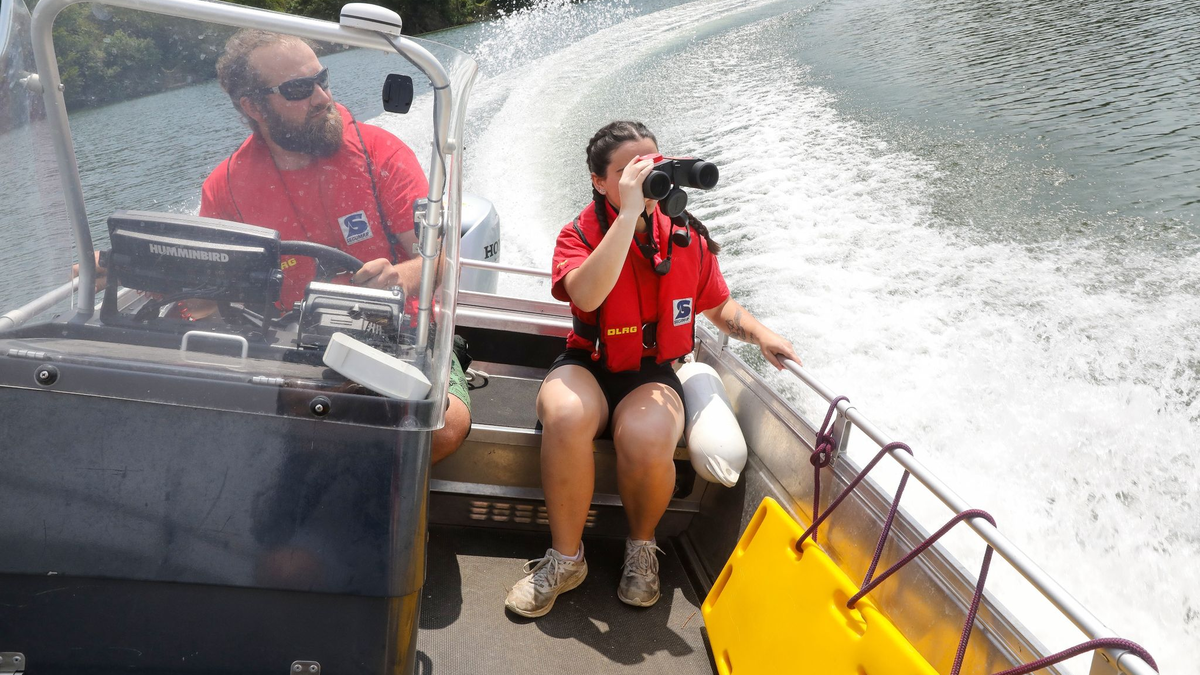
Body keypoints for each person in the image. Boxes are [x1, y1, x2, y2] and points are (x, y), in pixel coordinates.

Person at [504, 121, 800, 618]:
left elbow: (719, 308)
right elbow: (588, 294)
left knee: (647, 435)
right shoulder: (578, 235)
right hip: (589, 362)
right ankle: (566, 559)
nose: (644, 179)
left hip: (650, 368)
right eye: (629, 171)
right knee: (565, 414)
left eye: (652, 166)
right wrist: (627, 218)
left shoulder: (685, 237)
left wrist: (761, 334)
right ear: (601, 182)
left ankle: (641, 551)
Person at [201, 29, 469, 463]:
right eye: (299, 90)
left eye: (322, 80)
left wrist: (398, 278)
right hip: (291, 348)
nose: (323, 97)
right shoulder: (225, 187)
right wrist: (117, 267)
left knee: (441, 427)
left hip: (403, 335)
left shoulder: (380, 152)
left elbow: (442, 262)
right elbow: (208, 283)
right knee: (266, 424)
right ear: (253, 106)